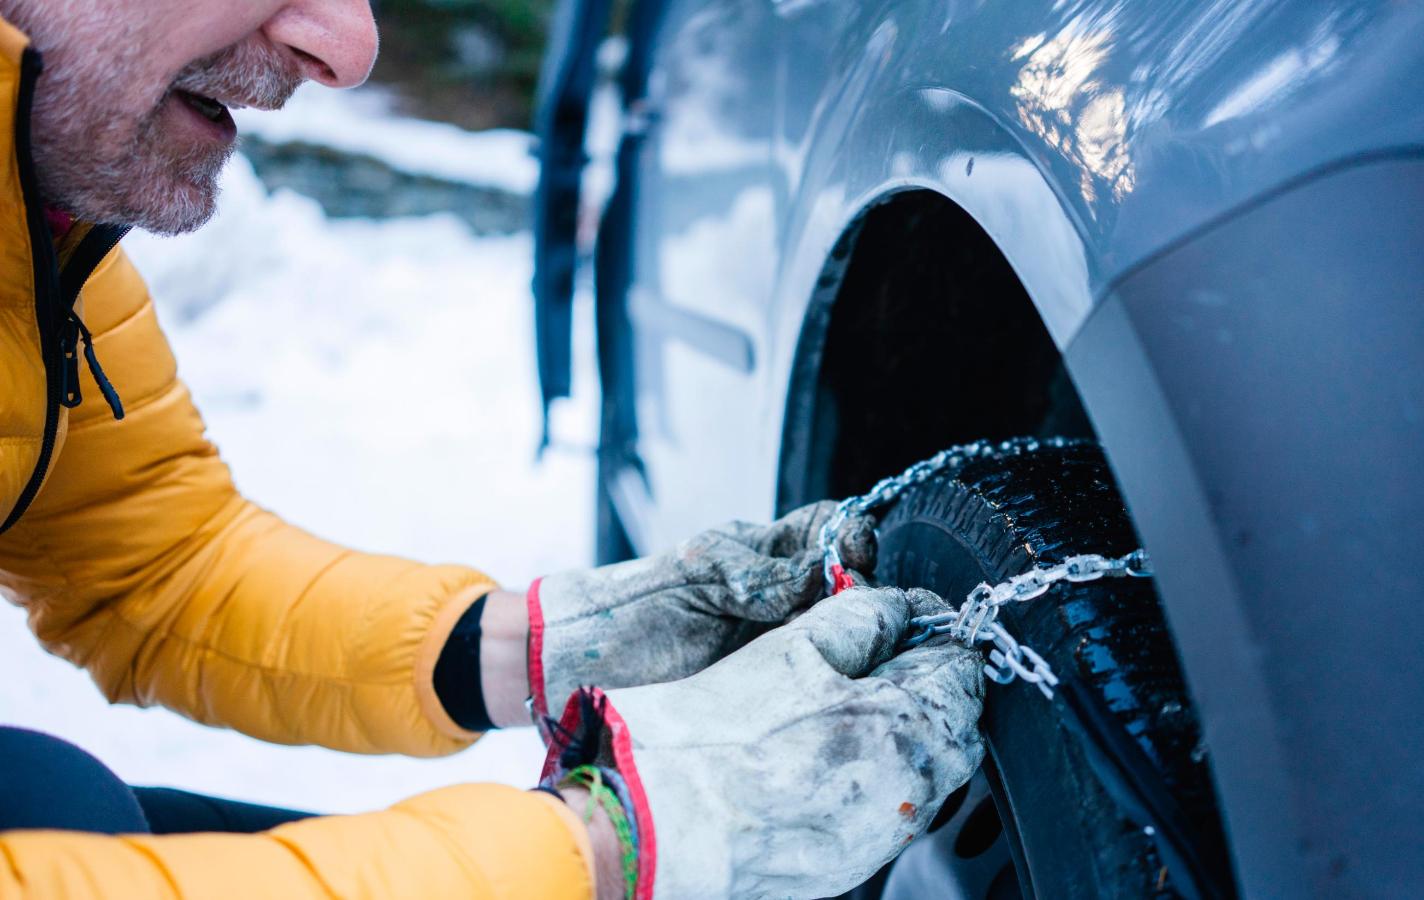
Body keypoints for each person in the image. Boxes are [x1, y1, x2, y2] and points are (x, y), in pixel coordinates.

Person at [0, 1, 985, 898]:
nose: (348, 48)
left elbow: (150, 569)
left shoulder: (31, 230)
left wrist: (542, 646)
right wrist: (613, 845)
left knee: (48, 793)